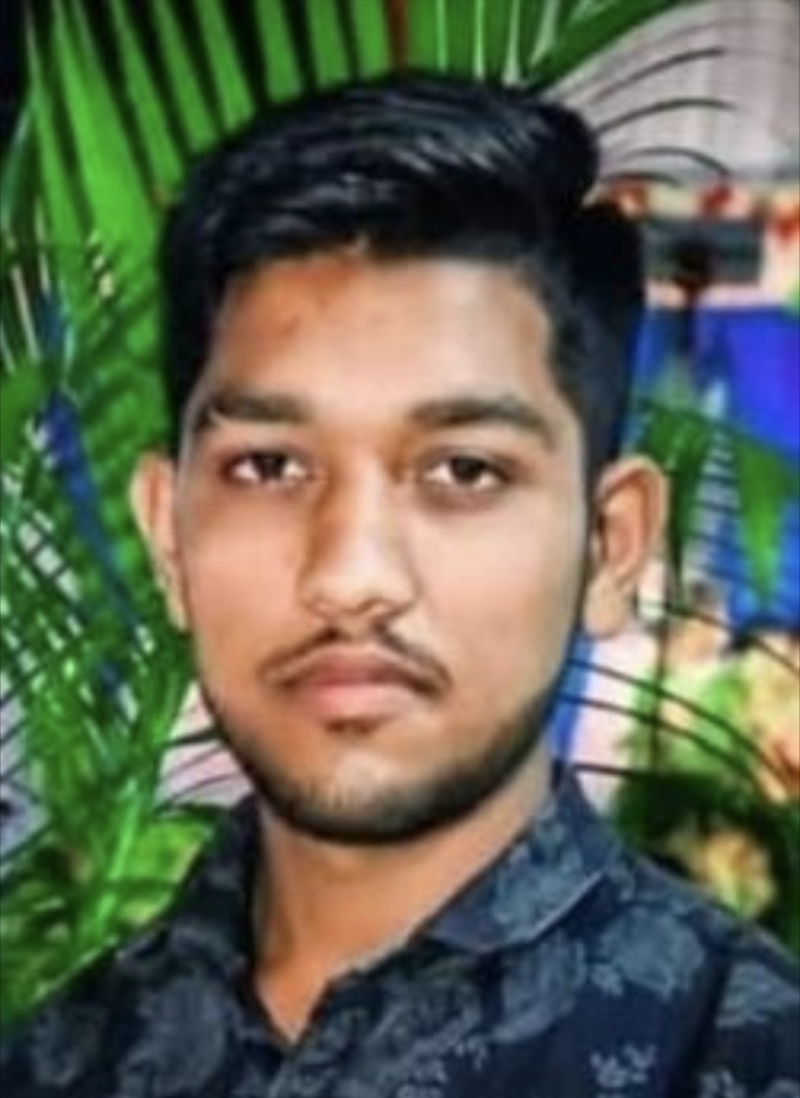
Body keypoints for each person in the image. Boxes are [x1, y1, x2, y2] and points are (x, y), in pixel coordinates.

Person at [2, 71, 798, 1098]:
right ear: (167, 537)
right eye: (268, 466)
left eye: (462, 471)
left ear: (609, 545)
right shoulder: (57, 1064)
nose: (350, 576)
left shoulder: (748, 1057)